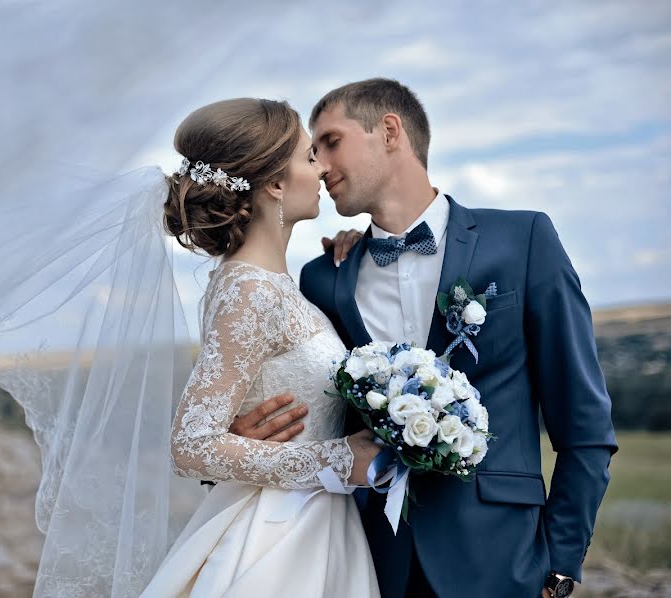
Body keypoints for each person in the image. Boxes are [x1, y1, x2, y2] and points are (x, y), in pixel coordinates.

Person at [233, 78, 617, 598]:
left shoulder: (522, 241)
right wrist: (244, 443)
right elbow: (320, 416)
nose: (320, 164)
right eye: (314, 150)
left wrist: (561, 564)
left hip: (502, 559)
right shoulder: (324, 278)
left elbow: (584, 424)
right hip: (368, 559)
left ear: (388, 131)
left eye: (331, 141)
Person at [140, 97, 382, 596]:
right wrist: (336, 461)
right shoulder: (250, 290)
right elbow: (192, 444)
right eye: (309, 157)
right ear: (274, 183)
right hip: (278, 535)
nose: (321, 170)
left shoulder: (272, 284)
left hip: (313, 521)